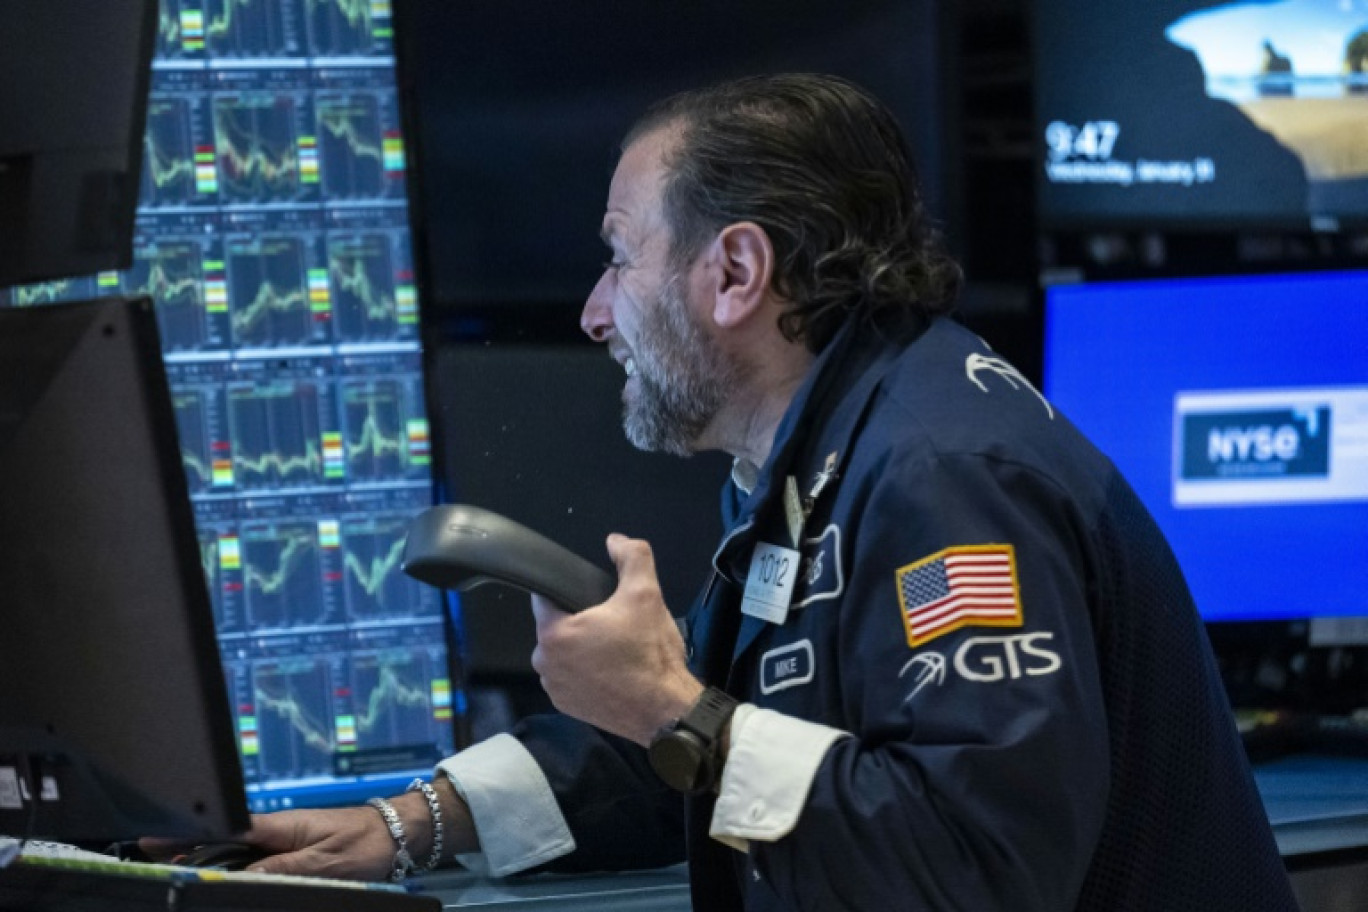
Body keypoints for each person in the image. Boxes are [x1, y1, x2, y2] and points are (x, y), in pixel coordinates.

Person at [184, 73, 1298, 910]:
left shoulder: (944, 476)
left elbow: (981, 864)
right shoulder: (824, 452)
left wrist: (668, 704)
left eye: (621, 257)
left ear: (735, 274)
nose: (593, 312)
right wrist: (420, 821)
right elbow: (708, 739)